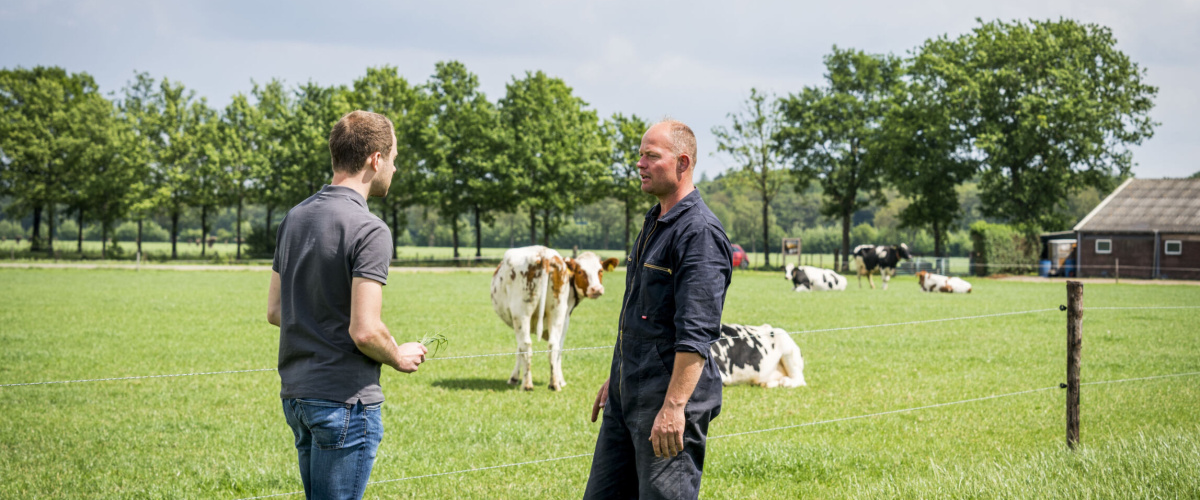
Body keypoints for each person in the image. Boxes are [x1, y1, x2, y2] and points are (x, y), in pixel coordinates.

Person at [267, 110, 428, 500]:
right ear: (376, 159)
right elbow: (366, 330)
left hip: (297, 397)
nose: (394, 168)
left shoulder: (294, 217)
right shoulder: (369, 228)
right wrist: (398, 356)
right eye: (393, 159)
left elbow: (275, 311)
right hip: (344, 403)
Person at [583, 120, 733, 499]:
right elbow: (639, 318)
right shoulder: (655, 222)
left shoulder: (699, 233)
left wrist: (674, 407)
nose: (640, 164)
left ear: (683, 163)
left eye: (651, 156)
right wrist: (617, 378)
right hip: (627, 396)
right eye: (640, 155)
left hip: (664, 404)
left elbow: (696, 334)